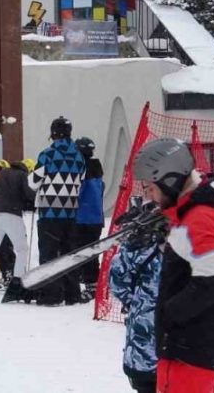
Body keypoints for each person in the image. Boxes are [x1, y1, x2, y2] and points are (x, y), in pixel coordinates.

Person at [132, 137, 214, 392]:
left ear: (169, 180)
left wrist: (168, 315)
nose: (148, 195)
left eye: (150, 187)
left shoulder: (200, 218)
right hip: (194, 349)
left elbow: (209, 284)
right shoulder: (192, 213)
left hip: (192, 352)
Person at [110, 197, 168, 393]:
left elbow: (117, 279)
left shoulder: (136, 244)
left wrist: (136, 302)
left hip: (145, 350)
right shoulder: (186, 242)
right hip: (168, 348)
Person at [29, 116, 85, 306]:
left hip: (50, 212)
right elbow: (82, 179)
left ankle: (52, 295)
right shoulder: (79, 157)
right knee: (70, 253)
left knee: (49, 254)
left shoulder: (47, 155)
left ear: (53, 134)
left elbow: (33, 182)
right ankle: (72, 294)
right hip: (70, 213)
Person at [0, 159, 35, 290]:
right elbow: (28, 194)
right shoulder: (22, 175)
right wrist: (36, 200)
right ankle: (17, 282)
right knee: (22, 249)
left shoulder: (3, 173)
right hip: (12, 214)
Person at [74, 136, 105, 302]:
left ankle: (89, 283)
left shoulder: (81, 169)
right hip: (96, 219)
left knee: (82, 253)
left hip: (81, 218)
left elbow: (77, 193)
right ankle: (93, 283)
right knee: (92, 252)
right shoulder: (98, 170)